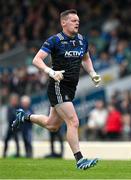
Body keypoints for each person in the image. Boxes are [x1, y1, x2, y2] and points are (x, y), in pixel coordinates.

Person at [12, 9, 101, 170]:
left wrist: (93, 73)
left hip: (71, 87)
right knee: (73, 121)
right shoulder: (55, 40)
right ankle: (80, 160)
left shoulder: (82, 40)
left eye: (78, 20)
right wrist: (50, 72)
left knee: (52, 125)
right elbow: (36, 60)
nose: (77, 23)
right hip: (58, 86)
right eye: (73, 20)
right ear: (63, 23)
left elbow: (86, 59)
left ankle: (24, 117)